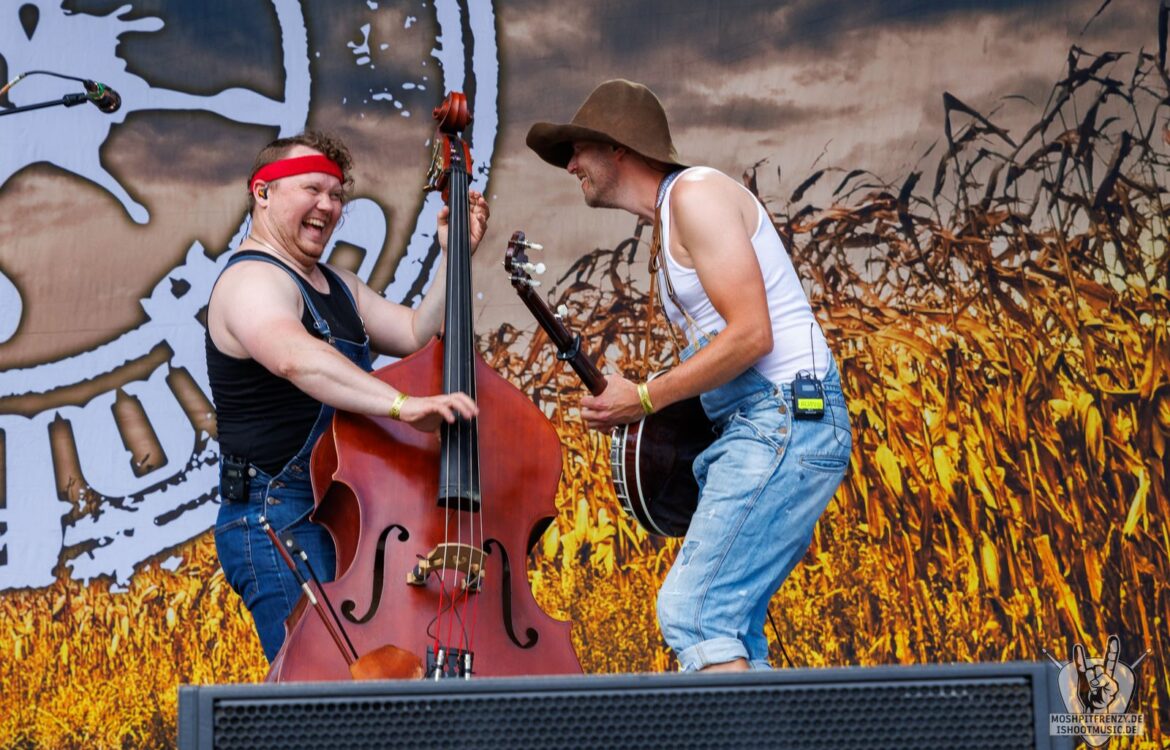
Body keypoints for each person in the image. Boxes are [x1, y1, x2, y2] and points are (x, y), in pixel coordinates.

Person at [526, 80, 852, 672]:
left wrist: (646, 398)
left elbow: (753, 334)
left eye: (579, 149)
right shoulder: (672, 217)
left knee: (695, 611)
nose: (571, 164)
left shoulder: (696, 195)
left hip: (786, 416)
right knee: (732, 626)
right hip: (768, 420)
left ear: (619, 146)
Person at [205, 130, 486, 661]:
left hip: (341, 509)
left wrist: (454, 257)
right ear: (261, 192)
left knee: (364, 687)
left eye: (337, 196)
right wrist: (402, 406)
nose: (328, 206)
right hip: (278, 518)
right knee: (322, 688)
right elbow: (293, 355)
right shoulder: (251, 281)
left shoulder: (339, 283)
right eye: (312, 189)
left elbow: (412, 334)